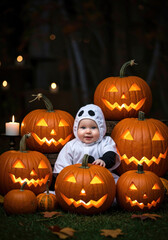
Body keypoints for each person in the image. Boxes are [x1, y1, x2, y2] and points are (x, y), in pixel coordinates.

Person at [51, 104, 120, 189]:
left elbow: (111, 154)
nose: (88, 131)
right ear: (76, 128)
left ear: (101, 129)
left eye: (93, 127)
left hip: (101, 180)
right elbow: (63, 165)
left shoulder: (105, 142)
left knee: (117, 185)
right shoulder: (71, 146)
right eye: (83, 127)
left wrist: (103, 160)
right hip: (77, 181)